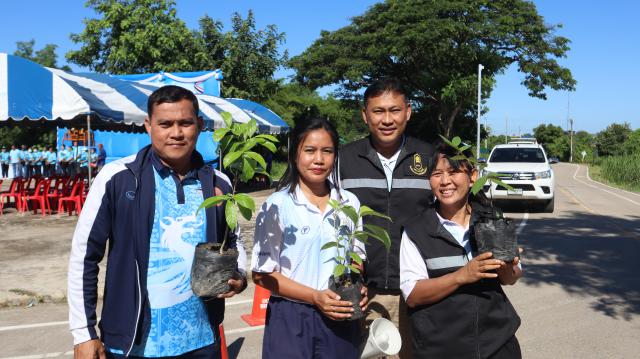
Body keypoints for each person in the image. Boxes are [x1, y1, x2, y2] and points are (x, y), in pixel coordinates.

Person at [68, 85, 247, 358]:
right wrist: (84, 333)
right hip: (133, 343)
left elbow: (234, 241)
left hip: (201, 340)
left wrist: (240, 275)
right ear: (148, 126)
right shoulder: (118, 177)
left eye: (185, 123)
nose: (176, 133)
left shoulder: (217, 183)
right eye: (165, 124)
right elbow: (84, 255)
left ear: (199, 125)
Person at [252, 117, 368, 359]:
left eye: (327, 151)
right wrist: (315, 297)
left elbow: (357, 258)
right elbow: (261, 274)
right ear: (295, 155)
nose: (318, 159)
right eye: (309, 150)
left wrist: (359, 286)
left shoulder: (349, 203)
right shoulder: (278, 205)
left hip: (340, 313)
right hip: (291, 316)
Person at [338, 78, 433, 358]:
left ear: (408, 111)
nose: (387, 119)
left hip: (419, 292)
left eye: (395, 110)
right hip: (364, 292)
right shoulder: (343, 160)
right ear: (365, 115)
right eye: (378, 111)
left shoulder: (429, 156)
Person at [399, 143, 522, 358]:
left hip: (497, 344)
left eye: (454, 171)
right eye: (437, 174)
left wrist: (508, 266)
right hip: (441, 348)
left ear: (473, 176)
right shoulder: (417, 230)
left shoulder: (492, 219)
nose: (445, 181)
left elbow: (510, 279)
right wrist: (462, 276)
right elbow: (413, 295)